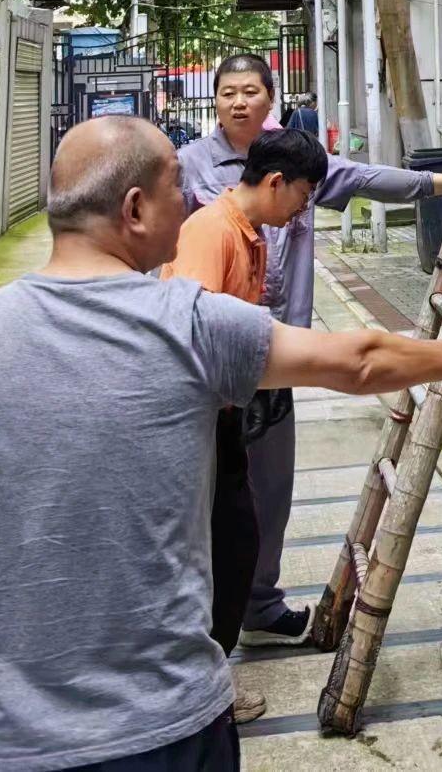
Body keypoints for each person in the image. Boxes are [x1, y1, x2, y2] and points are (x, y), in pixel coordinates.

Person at [0, 115, 442, 772]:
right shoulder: (188, 323)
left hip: (0, 746)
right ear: (135, 209)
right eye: (177, 186)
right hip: (165, 731)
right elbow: (360, 361)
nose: (191, 199)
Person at [180, 53, 442, 646]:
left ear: (271, 98)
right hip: (217, 373)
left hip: (280, 357)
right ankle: (205, 628)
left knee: (269, 491)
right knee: (212, 501)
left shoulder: (299, 161)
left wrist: (440, 184)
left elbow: (363, 178)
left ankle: (258, 605)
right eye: (227, 91)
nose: (238, 102)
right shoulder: (194, 178)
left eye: (250, 91)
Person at [161, 128, 328, 724]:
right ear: (277, 182)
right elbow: (189, 332)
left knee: (235, 544)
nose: (303, 210)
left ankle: (207, 679)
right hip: (196, 422)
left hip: (224, 416)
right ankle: (199, 693)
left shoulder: (250, 234)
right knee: (212, 555)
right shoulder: (213, 231)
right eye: (303, 195)